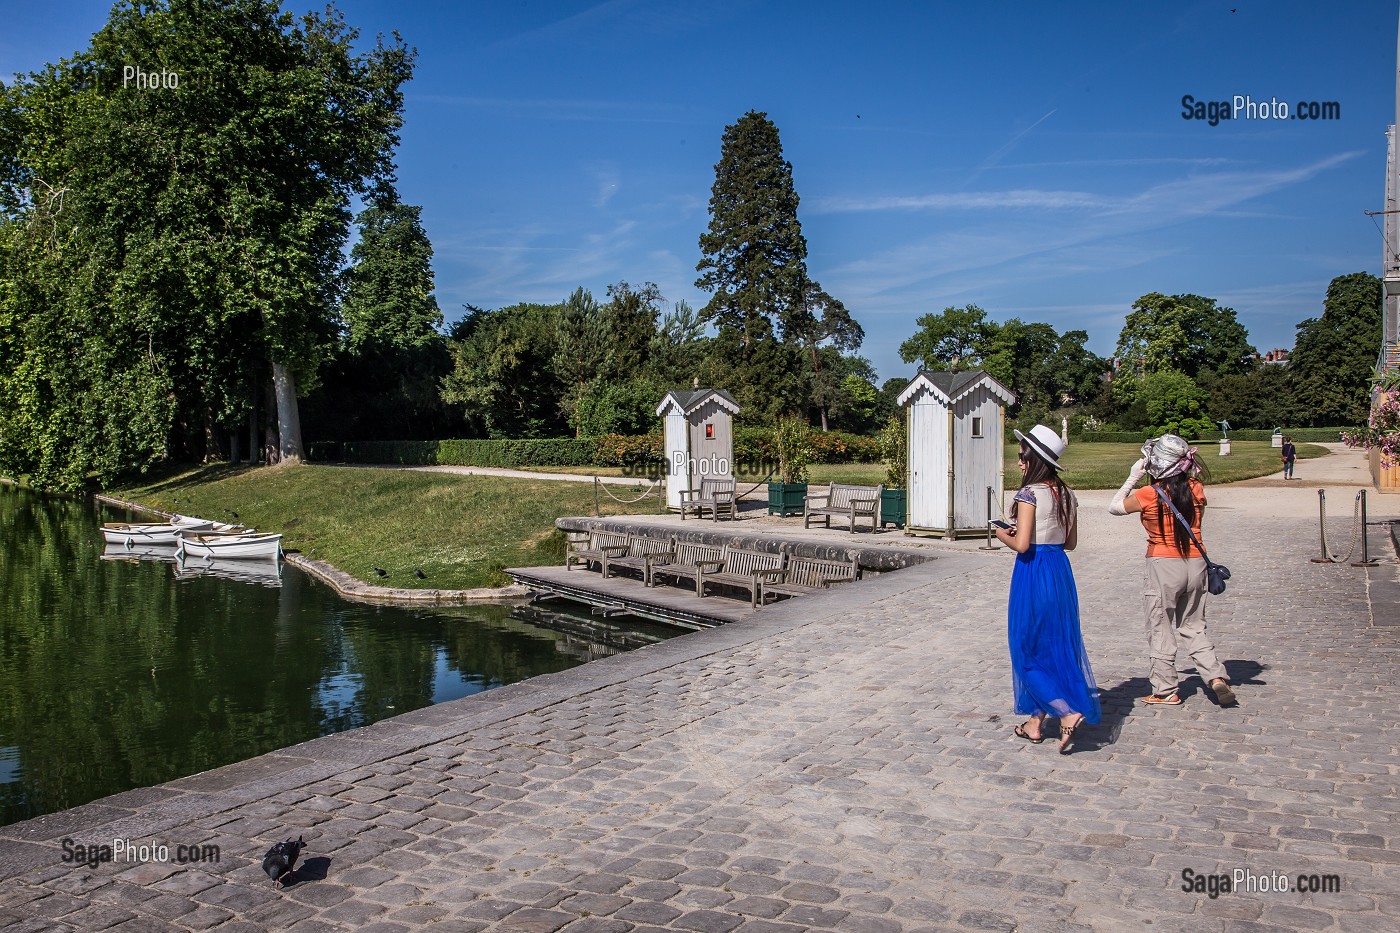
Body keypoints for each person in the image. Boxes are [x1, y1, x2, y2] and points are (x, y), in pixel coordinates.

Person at [1108, 435, 1238, 708]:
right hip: (1196, 562)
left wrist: (1133, 477)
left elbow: (1115, 507)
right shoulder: (1196, 488)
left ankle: (1166, 689)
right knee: (1193, 625)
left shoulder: (1148, 494)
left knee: (1160, 626)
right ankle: (1215, 676)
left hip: (1163, 564)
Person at [994, 424, 1100, 754]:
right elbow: (1070, 541)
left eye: (1023, 456)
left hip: (1033, 571)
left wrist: (1000, 533)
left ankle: (1067, 713)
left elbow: (1023, 545)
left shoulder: (1028, 494)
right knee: (1052, 644)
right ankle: (1035, 722)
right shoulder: (1066, 494)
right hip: (1058, 570)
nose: (1020, 463)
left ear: (1035, 459)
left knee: (1024, 648)